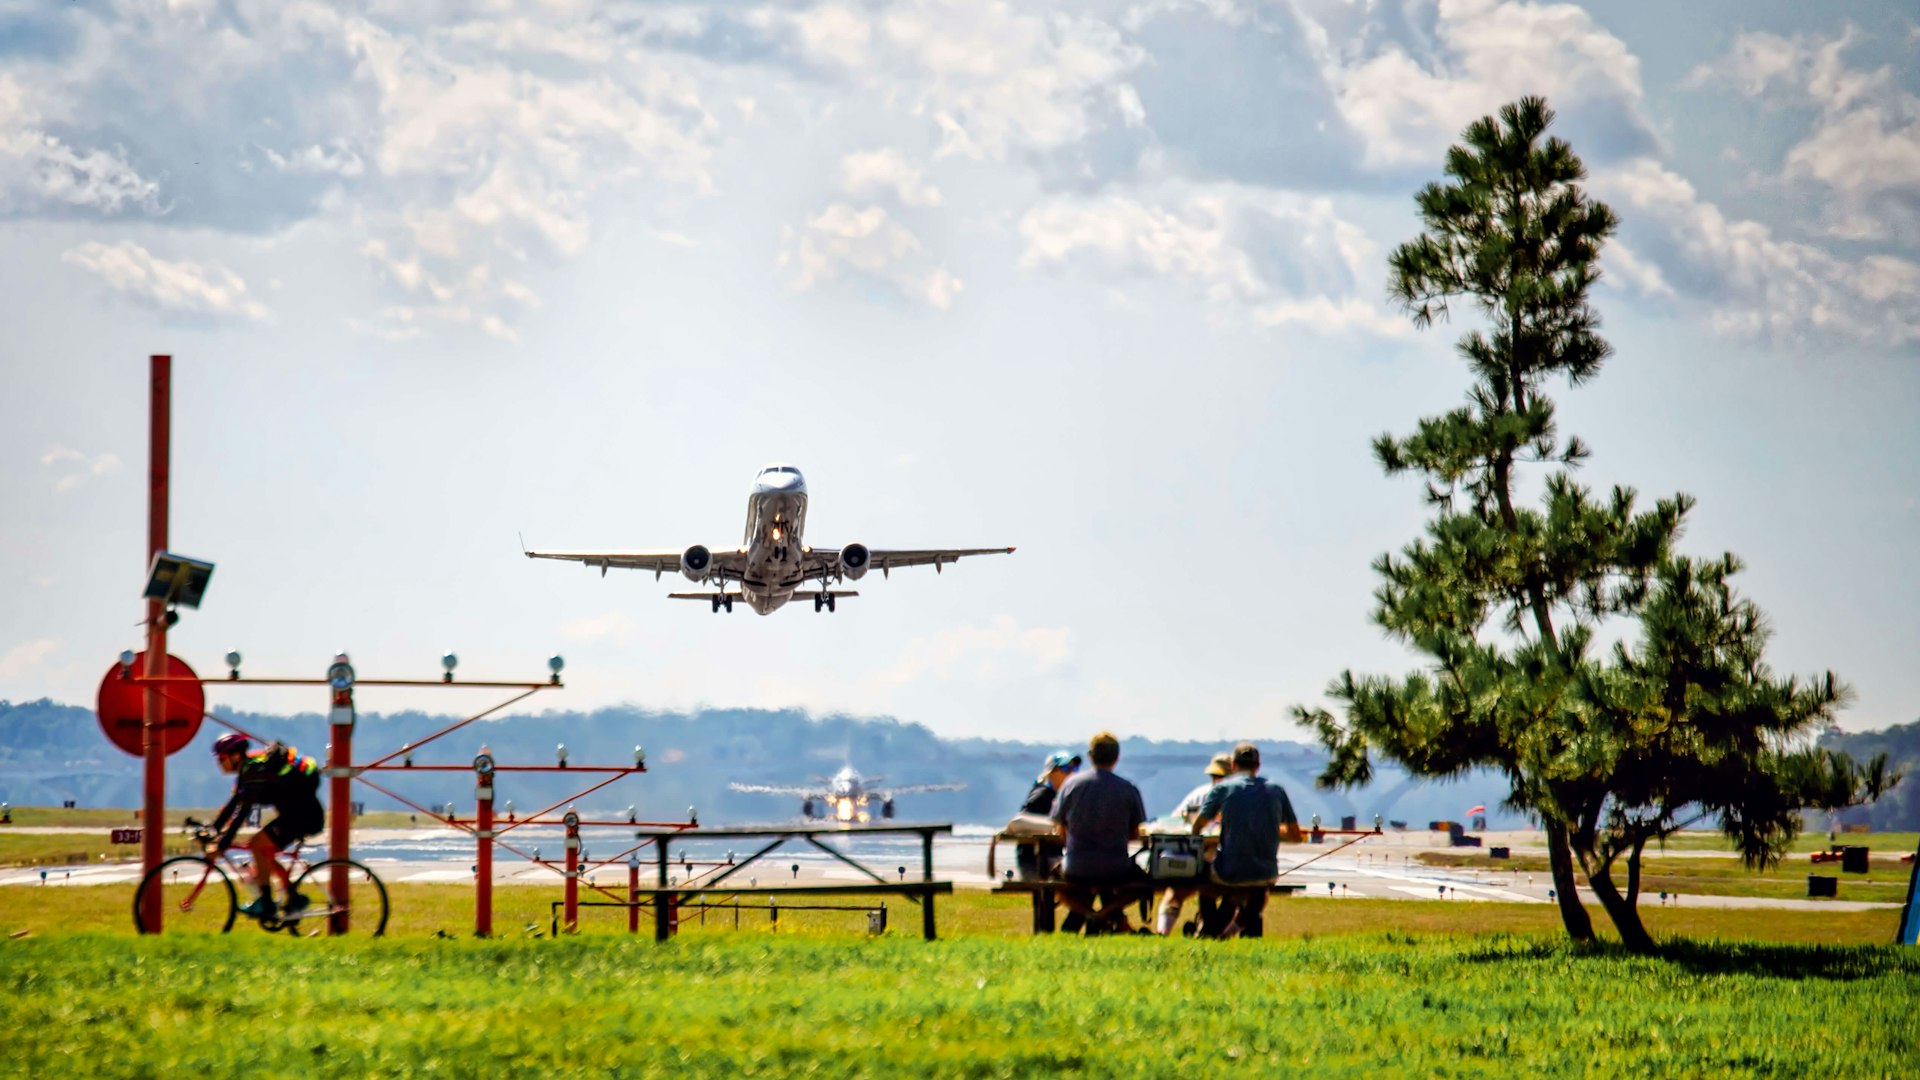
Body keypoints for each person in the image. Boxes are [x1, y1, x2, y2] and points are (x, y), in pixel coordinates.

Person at [1190, 741, 1301, 939]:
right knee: (1242, 892)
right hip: (1266, 872)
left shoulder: (1222, 789)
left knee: (1204, 883)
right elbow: (1295, 835)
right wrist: (1269, 830)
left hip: (1230, 871)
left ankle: (1209, 930)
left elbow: (1198, 826)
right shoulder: (1277, 790)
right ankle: (1218, 933)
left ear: (1233, 765)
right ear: (1258, 766)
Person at [209, 733, 324, 919]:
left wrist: (224, 841)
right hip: (297, 815)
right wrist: (213, 829)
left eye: (221, 759)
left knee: (257, 845)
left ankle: (266, 903)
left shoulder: (254, 772)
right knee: (265, 852)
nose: (219, 763)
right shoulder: (249, 770)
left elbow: (243, 810)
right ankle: (294, 899)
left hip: (301, 817)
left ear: (235, 756)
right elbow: (234, 803)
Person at [1050, 730, 1149, 934]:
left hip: (1076, 865)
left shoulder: (1071, 785)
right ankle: (1107, 913)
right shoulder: (1128, 788)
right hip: (1117, 866)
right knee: (1146, 882)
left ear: (1090, 756)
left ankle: (1087, 914)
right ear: (1117, 758)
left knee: (1050, 879)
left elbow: (1060, 829)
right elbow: (1134, 833)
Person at [1153, 751, 1234, 935]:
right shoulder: (1202, 795)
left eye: (1220, 776)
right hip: (1209, 862)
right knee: (1181, 890)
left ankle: (1207, 930)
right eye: (1215, 776)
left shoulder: (1202, 795)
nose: (1217, 780)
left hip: (1203, 861)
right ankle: (1209, 931)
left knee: (1180, 891)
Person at [1022, 751, 1081, 815]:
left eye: (1075, 768)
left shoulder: (1063, 795)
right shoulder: (1042, 795)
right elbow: (1020, 820)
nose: (1071, 772)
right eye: (1066, 768)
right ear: (1051, 772)